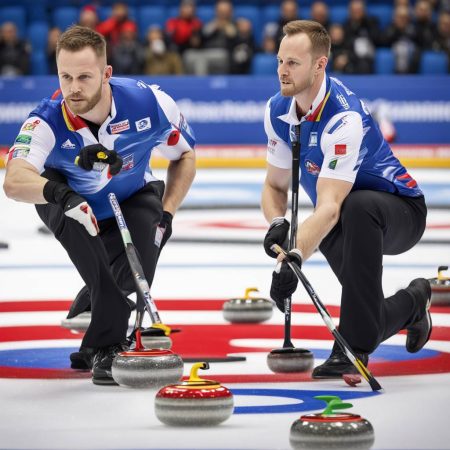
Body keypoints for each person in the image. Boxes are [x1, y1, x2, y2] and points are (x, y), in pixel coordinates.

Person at [3, 26, 196, 385]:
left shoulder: (150, 103)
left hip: (132, 195)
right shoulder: (45, 120)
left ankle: (93, 308)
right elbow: (14, 181)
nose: (73, 88)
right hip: (68, 203)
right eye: (65, 77)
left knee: (140, 272)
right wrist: (61, 195)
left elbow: (185, 155)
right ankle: (106, 345)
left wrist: (167, 213)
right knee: (97, 261)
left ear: (107, 74)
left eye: (84, 77)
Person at [262, 20, 431, 379]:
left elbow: (329, 206)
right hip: (346, 218)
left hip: (400, 211)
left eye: (293, 63)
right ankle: (413, 303)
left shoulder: (344, 117)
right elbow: (275, 186)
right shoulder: (278, 110)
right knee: (366, 317)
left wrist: (293, 258)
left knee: (356, 206)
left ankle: (352, 344)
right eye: (279, 61)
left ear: (320, 64)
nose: (282, 71)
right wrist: (278, 223)